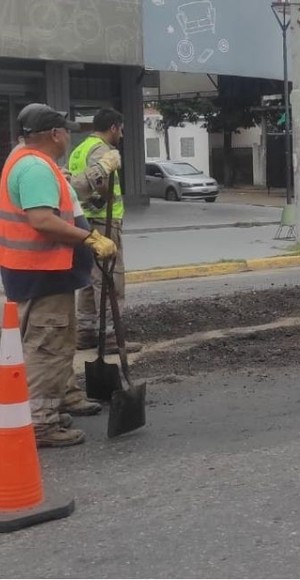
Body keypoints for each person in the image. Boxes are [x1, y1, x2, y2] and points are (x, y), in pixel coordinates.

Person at [0, 103, 118, 447]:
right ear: (55, 134)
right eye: (65, 130)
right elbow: (43, 220)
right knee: (48, 348)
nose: (68, 135)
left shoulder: (26, 159)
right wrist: (90, 237)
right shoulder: (35, 167)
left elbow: (64, 195)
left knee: (41, 345)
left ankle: (45, 409)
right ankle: (40, 425)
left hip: (34, 272)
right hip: (44, 271)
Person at [68, 108, 141, 353]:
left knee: (90, 279)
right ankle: (111, 336)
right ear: (113, 127)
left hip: (84, 221)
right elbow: (100, 181)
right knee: (111, 279)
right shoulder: (103, 150)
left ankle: (86, 333)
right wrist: (106, 196)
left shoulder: (80, 148)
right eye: (120, 129)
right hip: (103, 223)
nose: (121, 134)